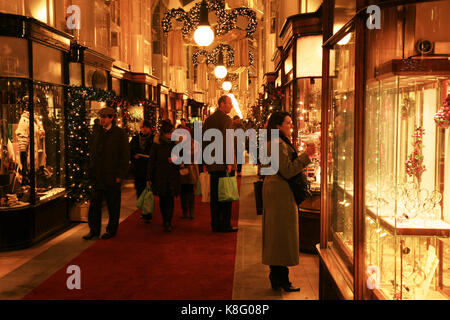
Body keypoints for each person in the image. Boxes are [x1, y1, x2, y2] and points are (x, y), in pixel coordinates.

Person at [261, 111, 315, 292]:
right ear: (278, 125)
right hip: (279, 193)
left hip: (279, 192)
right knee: (280, 235)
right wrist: (306, 155)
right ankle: (280, 279)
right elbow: (287, 170)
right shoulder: (276, 143)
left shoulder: (278, 142)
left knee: (279, 236)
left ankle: (280, 279)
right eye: (288, 123)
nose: (291, 126)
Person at [83, 107, 130, 240]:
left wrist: (120, 174)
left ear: (111, 118)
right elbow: (92, 151)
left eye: (105, 117)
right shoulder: (97, 132)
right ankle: (94, 230)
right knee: (95, 204)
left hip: (112, 176)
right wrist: (90, 169)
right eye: (101, 117)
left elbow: (124, 156)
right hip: (98, 175)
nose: (102, 120)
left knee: (113, 205)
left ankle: (111, 229)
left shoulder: (119, 134)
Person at [202, 95, 238, 233]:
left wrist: (205, 161)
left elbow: (204, 141)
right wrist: (229, 162)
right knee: (226, 195)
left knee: (215, 196)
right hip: (224, 163)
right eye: (229, 103)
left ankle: (215, 223)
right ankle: (225, 224)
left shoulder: (209, 119)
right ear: (222, 104)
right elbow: (228, 142)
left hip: (212, 163)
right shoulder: (226, 120)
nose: (231, 106)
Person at [147, 120, 180, 232]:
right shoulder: (157, 145)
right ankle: (165, 219)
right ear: (163, 133)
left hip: (172, 175)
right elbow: (152, 161)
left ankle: (168, 221)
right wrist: (149, 177)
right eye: (168, 133)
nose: (170, 135)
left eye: (171, 132)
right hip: (160, 175)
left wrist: (176, 160)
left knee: (170, 199)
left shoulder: (175, 144)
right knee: (162, 199)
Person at [130, 120, 154, 222]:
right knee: (139, 190)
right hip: (138, 168)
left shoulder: (153, 139)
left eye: (146, 127)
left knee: (148, 191)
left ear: (150, 129)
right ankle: (144, 210)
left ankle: (147, 213)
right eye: (142, 127)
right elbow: (129, 150)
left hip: (148, 169)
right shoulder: (135, 139)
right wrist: (133, 156)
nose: (144, 129)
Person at [179, 133, 199, 219]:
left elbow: (196, 157)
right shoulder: (178, 146)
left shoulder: (194, 145)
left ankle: (191, 211)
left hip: (191, 170)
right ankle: (185, 210)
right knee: (183, 192)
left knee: (190, 191)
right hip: (182, 171)